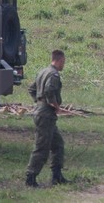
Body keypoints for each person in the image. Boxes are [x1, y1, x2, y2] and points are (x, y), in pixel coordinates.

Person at [25, 49, 68, 187]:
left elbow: (32, 89)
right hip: (46, 114)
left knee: (58, 144)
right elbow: (49, 91)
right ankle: (30, 178)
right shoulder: (54, 74)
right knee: (42, 147)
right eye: (63, 62)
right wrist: (54, 105)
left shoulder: (43, 71)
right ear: (60, 60)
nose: (63, 65)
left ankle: (57, 176)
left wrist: (38, 101)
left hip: (42, 111)